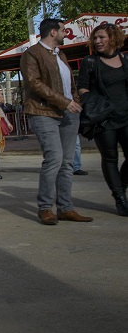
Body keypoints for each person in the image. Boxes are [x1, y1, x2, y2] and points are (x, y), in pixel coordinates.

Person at [21, 17, 93, 225]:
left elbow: (69, 83)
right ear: (53, 32)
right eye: (63, 30)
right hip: (43, 113)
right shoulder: (31, 54)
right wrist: (64, 102)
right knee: (54, 158)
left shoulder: (61, 54)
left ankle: (66, 207)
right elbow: (34, 83)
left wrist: (75, 102)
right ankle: (45, 208)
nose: (65, 34)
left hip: (69, 113)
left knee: (67, 162)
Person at [76, 22, 128, 216]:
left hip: (126, 115)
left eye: (102, 38)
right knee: (110, 158)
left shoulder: (125, 59)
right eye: (95, 38)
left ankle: (121, 185)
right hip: (104, 119)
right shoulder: (90, 62)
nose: (97, 41)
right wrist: (92, 103)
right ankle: (120, 198)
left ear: (113, 38)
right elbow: (82, 87)